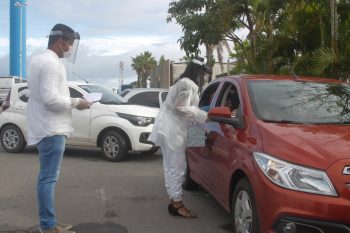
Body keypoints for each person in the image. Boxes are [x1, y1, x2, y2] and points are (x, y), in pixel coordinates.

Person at [26, 23, 91, 233]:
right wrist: (77, 103)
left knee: (45, 177)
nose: (71, 48)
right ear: (60, 42)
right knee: (48, 178)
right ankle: (49, 226)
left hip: (44, 126)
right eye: (70, 44)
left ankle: (49, 222)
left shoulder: (38, 59)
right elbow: (49, 98)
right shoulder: (52, 64)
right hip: (52, 129)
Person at [149, 57, 210, 218]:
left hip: (171, 129)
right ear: (198, 72)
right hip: (172, 131)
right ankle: (177, 204)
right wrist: (205, 116)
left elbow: (186, 111)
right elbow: (181, 108)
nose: (203, 76)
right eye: (203, 73)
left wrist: (198, 127)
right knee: (177, 167)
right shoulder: (187, 84)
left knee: (171, 167)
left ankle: (174, 201)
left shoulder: (182, 82)